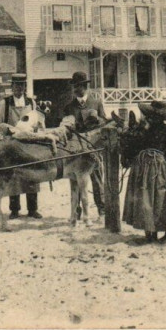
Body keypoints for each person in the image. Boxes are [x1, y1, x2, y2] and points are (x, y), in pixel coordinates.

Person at [122, 101, 166, 243]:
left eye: (150, 117)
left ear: (156, 117)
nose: (149, 119)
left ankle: (154, 233)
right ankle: (160, 232)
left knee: (151, 196)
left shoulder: (156, 130)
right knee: (159, 196)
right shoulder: (161, 130)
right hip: (153, 165)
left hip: (151, 166)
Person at [0, 73, 41, 219]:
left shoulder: (31, 102)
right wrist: (10, 131)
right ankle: (14, 210)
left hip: (29, 144)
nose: (19, 88)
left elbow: (37, 122)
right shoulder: (5, 103)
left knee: (32, 175)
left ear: (25, 87)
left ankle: (32, 209)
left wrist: (35, 131)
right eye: (16, 85)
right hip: (12, 145)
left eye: (22, 85)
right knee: (14, 177)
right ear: (12, 86)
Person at [62, 71, 106, 219]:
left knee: (97, 178)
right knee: (76, 179)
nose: (75, 89)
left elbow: (104, 122)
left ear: (85, 86)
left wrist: (97, 119)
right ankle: (77, 211)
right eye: (74, 86)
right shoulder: (69, 107)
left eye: (78, 86)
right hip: (76, 149)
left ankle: (102, 209)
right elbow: (65, 127)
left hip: (93, 148)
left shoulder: (96, 102)